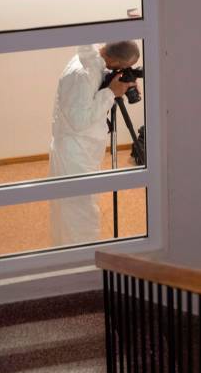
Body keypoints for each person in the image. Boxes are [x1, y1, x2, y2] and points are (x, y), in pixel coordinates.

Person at [48, 42, 140, 246]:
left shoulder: (96, 63)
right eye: (123, 66)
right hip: (74, 156)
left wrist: (113, 85)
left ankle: (81, 256)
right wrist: (110, 93)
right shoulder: (81, 75)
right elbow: (78, 120)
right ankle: (79, 263)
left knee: (83, 209)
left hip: (84, 151)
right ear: (114, 61)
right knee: (78, 214)